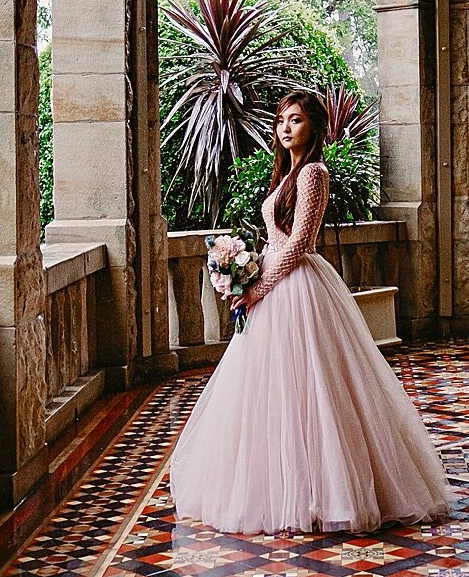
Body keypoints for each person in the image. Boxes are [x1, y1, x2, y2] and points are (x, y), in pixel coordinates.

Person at [169, 88, 453, 535]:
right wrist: (244, 272)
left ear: (315, 128)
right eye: (282, 119)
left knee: (316, 388)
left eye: (296, 120)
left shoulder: (314, 173)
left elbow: (301, 242)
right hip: (275, 284)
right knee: (272, 391)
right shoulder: (288, 173)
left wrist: (259, 285)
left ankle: (328, 491)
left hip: (297, 286)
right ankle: (282, 485)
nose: (285, 127)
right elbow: (278, 239)